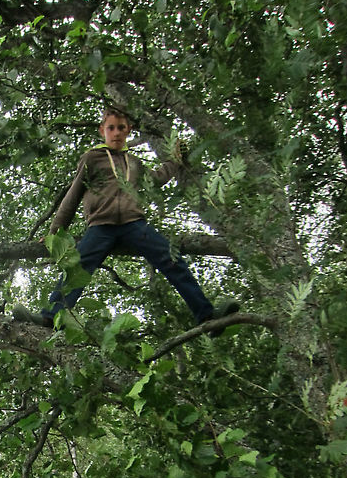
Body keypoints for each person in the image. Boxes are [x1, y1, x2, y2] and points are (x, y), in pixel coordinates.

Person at [12, 106, 239, 334]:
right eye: (111, 128)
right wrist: (56, 232)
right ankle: (50, 319)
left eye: (121, 128)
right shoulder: (92, 157)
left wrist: (175, 159)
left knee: (172, 259)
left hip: (134, 224)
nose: (117, 133)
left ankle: (207, 316)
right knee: (76, 268)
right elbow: (73, 195)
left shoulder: (134, 163)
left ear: (128, 130)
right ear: (102, 131)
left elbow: (156, 179)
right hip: (101, 226)